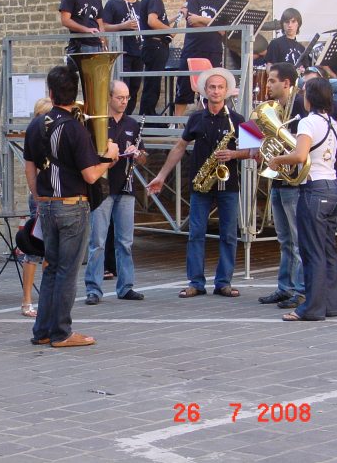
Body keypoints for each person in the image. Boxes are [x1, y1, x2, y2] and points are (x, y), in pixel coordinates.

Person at [23, 65, 119, 347]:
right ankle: (61, 332)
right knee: (67, 270)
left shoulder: (36, 124)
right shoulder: (75, 128)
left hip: (48, 205)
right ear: (74, 93)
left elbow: (29, 166)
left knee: (51, 267)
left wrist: (39, 197)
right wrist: (110, 158)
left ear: (50, 93)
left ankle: (42, 330)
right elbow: (90, 175)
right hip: (72, 205)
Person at [147, 68, 249, 297]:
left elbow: (255, 150)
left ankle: (224, 282)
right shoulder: (195, 117)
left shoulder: (238, 118)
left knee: (229, 234)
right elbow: (179, 147)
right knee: (195, 233)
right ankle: (196, 282)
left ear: (227, 91)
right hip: (200, 184)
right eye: (211, 87)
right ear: (205, 90)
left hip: (228, 184)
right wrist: (161, 176)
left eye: (220, 87)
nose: (215, 91)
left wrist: (233, 155)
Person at [269, 78, 337, 321]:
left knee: (312, 252)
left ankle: (311, 308)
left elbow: (300, 155)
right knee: (328, 250)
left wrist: (277, 160)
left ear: (308, 99)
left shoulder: (308, 122)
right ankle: (331, 305)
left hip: (314, 189)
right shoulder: (330, 121)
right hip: (333, 187)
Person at [84, 80, 147, 305]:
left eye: (127, 98)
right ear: (109, 97)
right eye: (120, 98)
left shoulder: (133, 123)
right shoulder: (99, 123)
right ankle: (93, 288)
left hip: (126, 187)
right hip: (102, 187)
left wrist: (137, 154)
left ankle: (126, 286)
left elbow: (143, 156)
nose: (124, 102)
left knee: (125, 241)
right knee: (98, 241)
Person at [257, 63, 306, 309]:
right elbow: (254, 136)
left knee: (297, 241)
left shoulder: (300, 107)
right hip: (277, 180)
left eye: (273, 80)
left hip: (294, 182)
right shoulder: (271, 107)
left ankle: (300, 290)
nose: (268, 84)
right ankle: (284, 288)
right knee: (284, 240)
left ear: (286, 83)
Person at [174, 0, 227, 116]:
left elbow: (223, 30)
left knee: (212, 88)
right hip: (193, 49)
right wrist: (213, 23)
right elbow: (192, 22)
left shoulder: (223, 2)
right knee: (184, 87)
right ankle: (176, 125)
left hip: (214, 50)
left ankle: (208, 120)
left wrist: (201, 19)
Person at [18, 97, 53, 318]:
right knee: (34, 250)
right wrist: (37, 194)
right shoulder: (37, 138)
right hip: (41, 195)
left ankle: (46, 299)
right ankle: (27, 301)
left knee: (50, 250)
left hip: (52, 196)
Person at [102, 0, 144, 116]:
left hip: (138, 53)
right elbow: (104, 26)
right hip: (122, 53)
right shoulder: (113, 4)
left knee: (134, 88)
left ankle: (127, 118)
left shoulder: (141, 5)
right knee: (122, 87)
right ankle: (118, 117)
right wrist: (123, 26)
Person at [139, 0, 175, 117]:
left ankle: (148, 117)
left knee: (151, 84)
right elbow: (152, 21)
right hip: (155, 46)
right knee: (152, 85)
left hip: (154, 46)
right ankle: (149, 119)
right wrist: (170, 31)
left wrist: (175, 18)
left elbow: (158, 21)